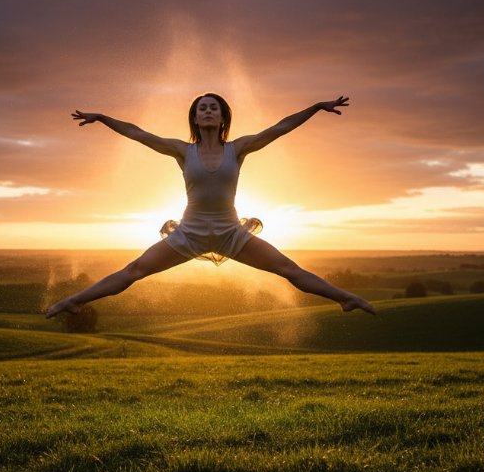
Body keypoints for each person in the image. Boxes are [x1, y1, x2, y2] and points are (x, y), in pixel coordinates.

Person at [45, 93, 377, 318]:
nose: (206, 110)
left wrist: (317, 107)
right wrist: (102, 117)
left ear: (222, 119)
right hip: (189, 233)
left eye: (213, 107)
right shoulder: (181, 150)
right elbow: (138, 133)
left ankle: (344, 298)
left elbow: (281, 127)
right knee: (134, 271)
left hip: (232, 233)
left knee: (288, 269)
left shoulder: (239, 148)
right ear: (194, 117)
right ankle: (75, 300)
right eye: (201, 107)